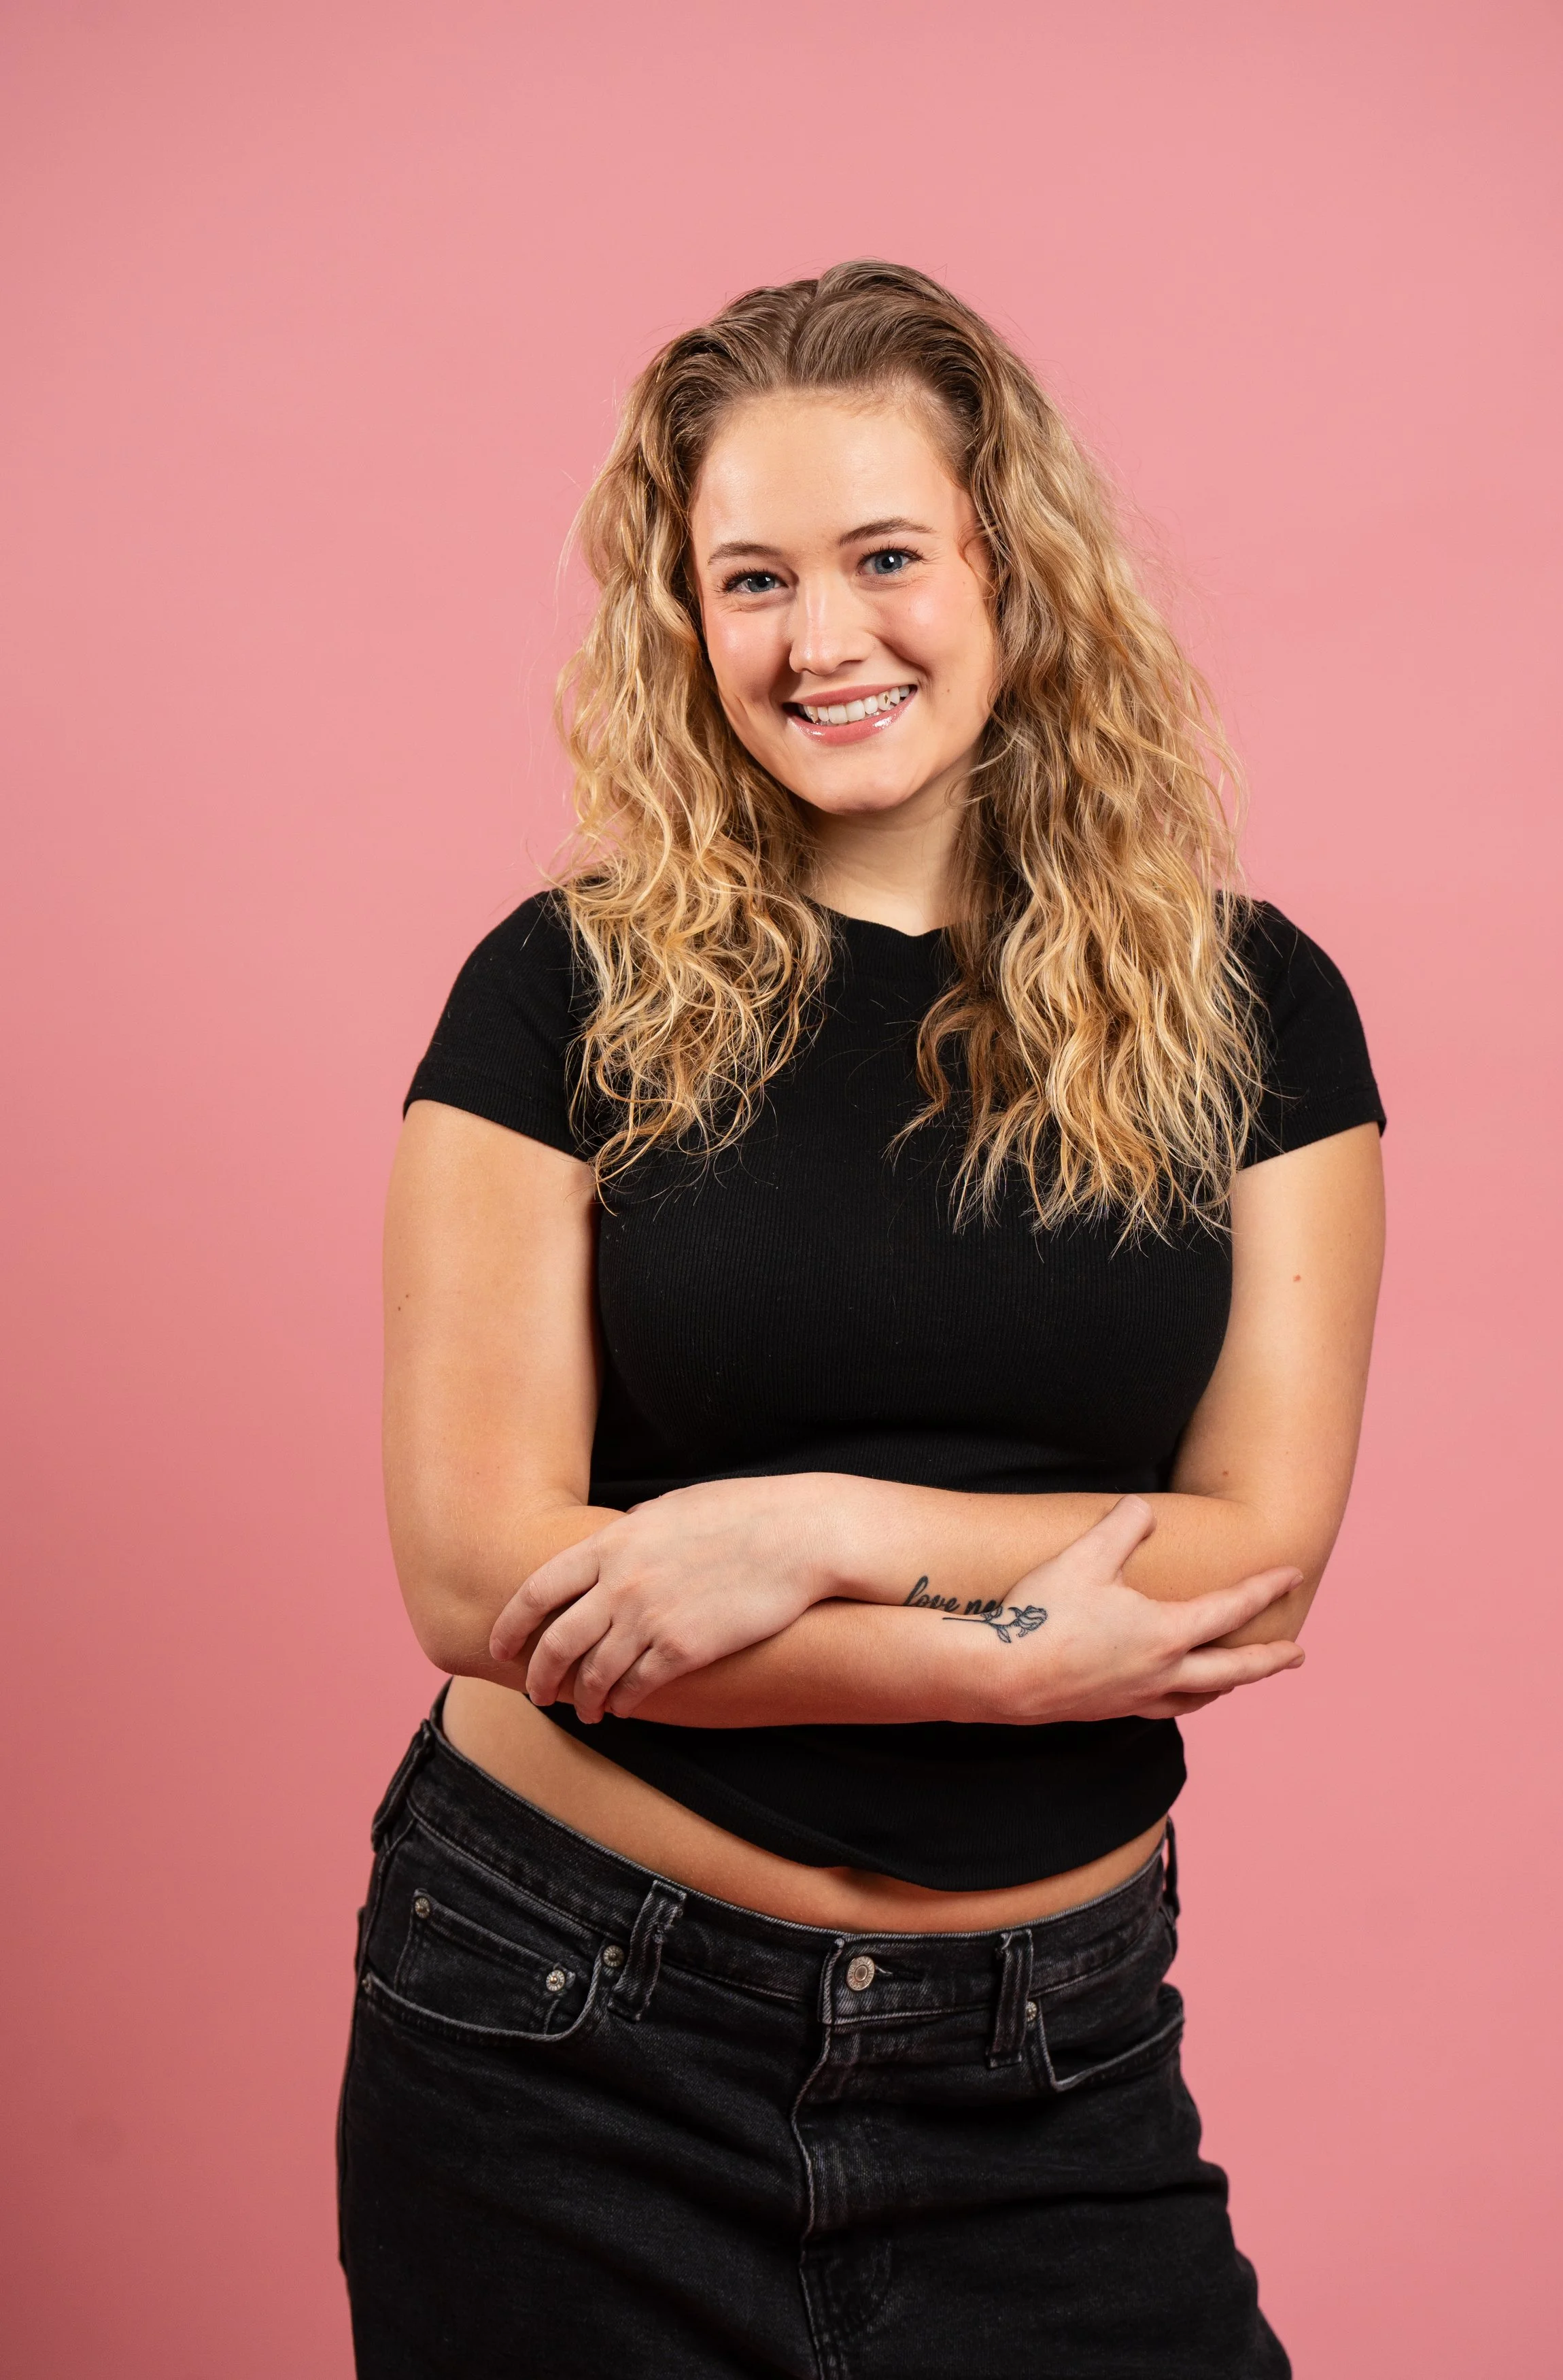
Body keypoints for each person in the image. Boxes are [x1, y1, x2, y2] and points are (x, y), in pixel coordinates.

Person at [339, 259, 1385, 2378]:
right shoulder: (556, 988)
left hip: (1050, 2061)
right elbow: (482, 1575)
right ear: (684, 618)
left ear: (1011, 568)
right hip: (564, 2027)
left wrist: (810, 1527)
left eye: (885, 556)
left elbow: (1252, 1555)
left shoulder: (1256, 1010)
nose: (821, 640)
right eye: (752, 580)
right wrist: (999, 1661)